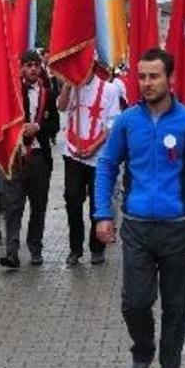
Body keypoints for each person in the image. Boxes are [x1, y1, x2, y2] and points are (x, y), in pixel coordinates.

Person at [95, 48, 185, 368]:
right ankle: (142, 351)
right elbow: (106, 167)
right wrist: (103, 214)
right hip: (135, 227)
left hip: (177, 227)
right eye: (142, 77)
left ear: (170, 79)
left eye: (154, 76)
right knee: (135, 303)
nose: (147, 83)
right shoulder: (127, 122)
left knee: (175, 306)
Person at [0, 49, 61, 268]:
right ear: (21, 68)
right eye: (28, 65)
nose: (33, 69)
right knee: (13, 206)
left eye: (36, 65)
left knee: (38, 206)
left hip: (38, 158)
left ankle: (35, 248)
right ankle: (12, 252)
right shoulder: (11, 93)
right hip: (15, 158)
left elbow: (55, 125)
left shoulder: (47, 93)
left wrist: (39, 126)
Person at [58, 62, 122, 265]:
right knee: (72, 199)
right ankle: (75, 249)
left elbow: (111, 122)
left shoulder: (109, 89)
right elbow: (61, 106)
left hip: (99, 157)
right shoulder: (72, 87)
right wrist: (68, 85)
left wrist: (94, 147)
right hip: (73, 153)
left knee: (98, 202)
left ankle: (97, 247)